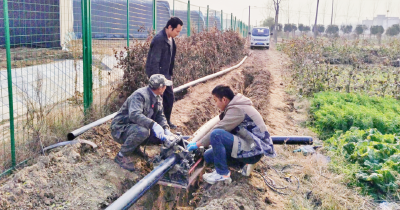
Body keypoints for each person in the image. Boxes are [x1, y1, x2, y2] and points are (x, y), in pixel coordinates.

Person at [187, 85, 276, 184]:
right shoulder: (236, 106)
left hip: (254, 150)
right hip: (250, 145)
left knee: (216, 134)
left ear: (224, 99)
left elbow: (219, 129)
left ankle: (222, 174)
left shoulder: (237, 109)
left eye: (216, 100)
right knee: (208, 156)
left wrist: (198, 144)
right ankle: (241, 165)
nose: (216, 104)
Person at [110, 74, 174, 171]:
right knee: (143, 131)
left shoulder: (157, 96)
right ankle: (121, 156)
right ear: (160, 87)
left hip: (133, 126)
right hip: (120, 128)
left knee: (156, 136)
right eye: (165, 85)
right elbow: (134, 115)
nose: (166, 87)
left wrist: (166, 129)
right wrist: (153, 125)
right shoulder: (140, 95)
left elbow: (160, 115)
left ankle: (135, 148)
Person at [145, 17, 183, 129]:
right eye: (177, 31)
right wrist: (157, 81)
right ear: (170, 27)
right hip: (158, 76)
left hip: (166, 75)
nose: (178, 34)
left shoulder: (171, 39)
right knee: (157, 101)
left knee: (169, 98)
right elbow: (154, 61)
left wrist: (169, 74)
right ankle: (155, 125)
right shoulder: (159, 40)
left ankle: (166, 122)